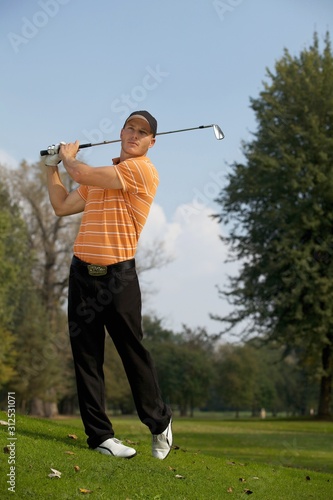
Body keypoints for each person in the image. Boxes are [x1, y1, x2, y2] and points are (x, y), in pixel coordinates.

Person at [45, 110, 172, 459]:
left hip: (118, 278)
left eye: (142, 132)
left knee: (133, 353)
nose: (134, 135)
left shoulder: (141, 170)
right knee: (86, 356)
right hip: (82, 273)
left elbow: (82, 171)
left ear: (151, 142)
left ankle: (160, 423)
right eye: (130, 128)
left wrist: (68, 158)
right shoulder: (100, 181)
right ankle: (100, 436)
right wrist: (51, 168)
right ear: (121, 131)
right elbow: (60, 205)